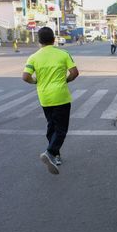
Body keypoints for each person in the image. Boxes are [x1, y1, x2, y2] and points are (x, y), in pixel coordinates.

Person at [22, 27, 79, 175]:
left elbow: (25, 77)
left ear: (39, 41)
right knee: (61, 129)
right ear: (54, 39)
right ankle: (50, 152)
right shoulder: (63, 53)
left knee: (51, 126)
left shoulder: (33, 57)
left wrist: (35, 82)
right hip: (61, 96)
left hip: (45, 97)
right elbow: (74, 73)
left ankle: (56, 156)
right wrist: (66, 80)